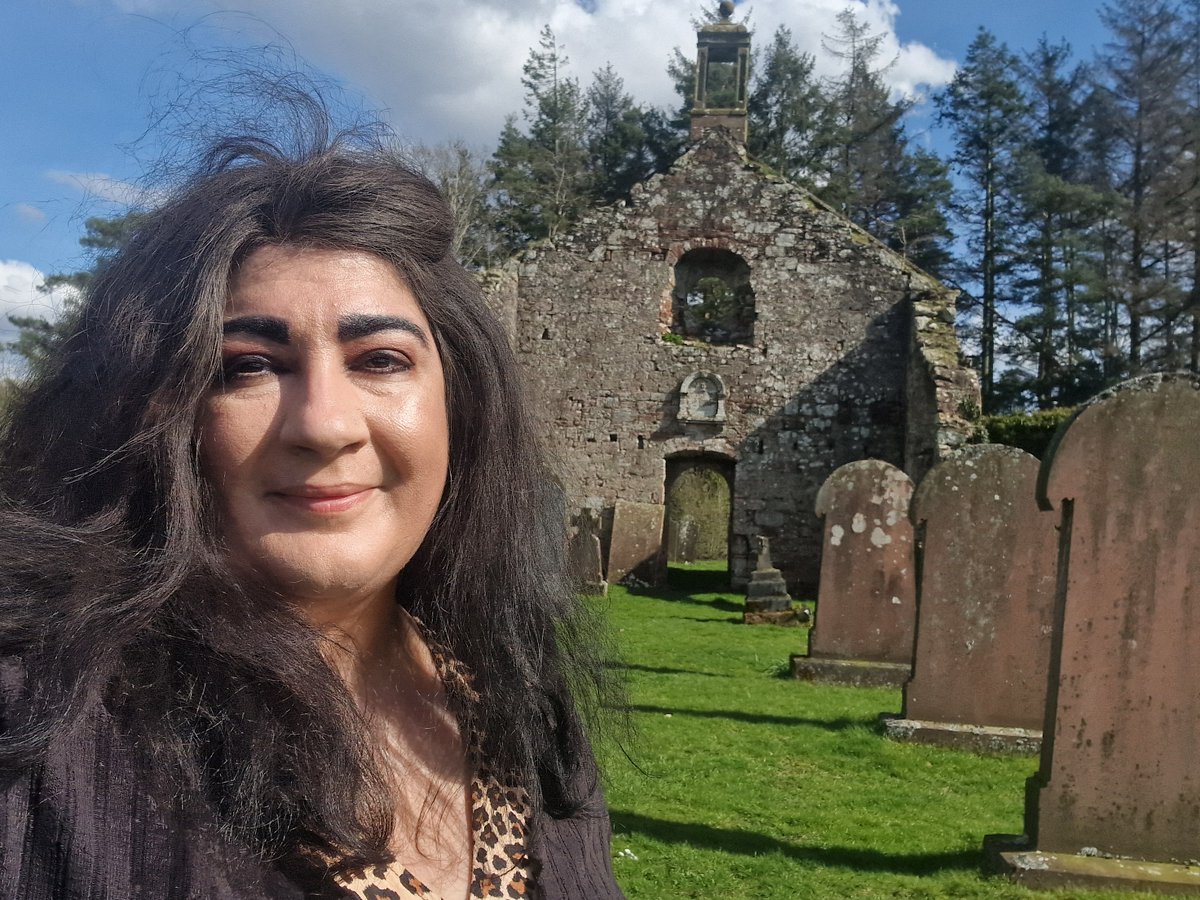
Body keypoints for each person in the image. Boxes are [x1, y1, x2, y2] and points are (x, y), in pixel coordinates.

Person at [0, 126, 624, 899]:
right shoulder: (42, 729)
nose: (325, 424)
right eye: (248, 367)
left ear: (458, 403)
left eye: (381, 360)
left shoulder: (522, 701)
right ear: (154, 416)